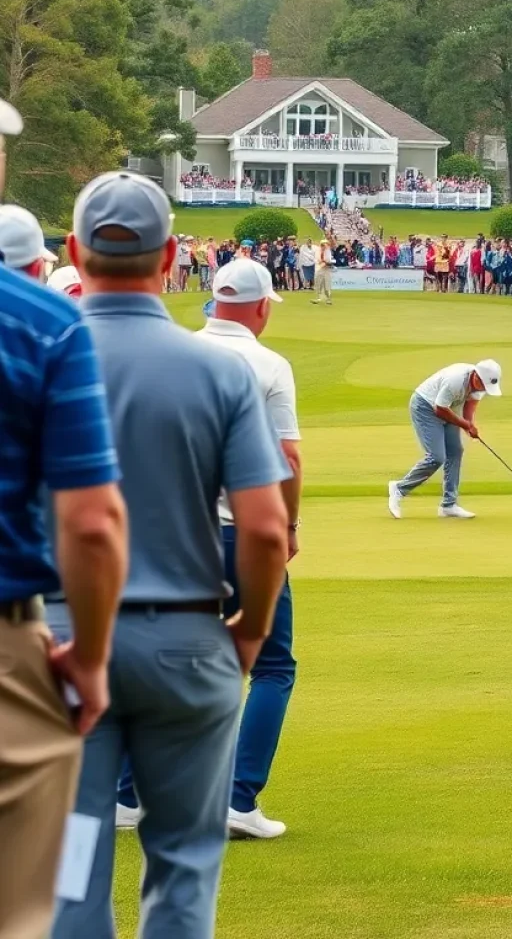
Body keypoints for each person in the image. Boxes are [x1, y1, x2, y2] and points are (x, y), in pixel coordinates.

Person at [51, 171, 291, 939]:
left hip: (57, 643)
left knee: (71, 870)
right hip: (187, 645)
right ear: (170, 259)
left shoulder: (35, 360)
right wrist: (250, 632)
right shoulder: (221, 369)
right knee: (184, 868)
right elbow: (262, 528)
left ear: (73, 251)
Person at [119, 260, 303, 840]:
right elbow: (289, 460)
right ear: (262, 307)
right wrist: (289, 526)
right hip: (243, 533)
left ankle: (127, 796)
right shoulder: (270, 364)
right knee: (272, 666)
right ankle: (236, 799)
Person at [0, 180, 127, 939]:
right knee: (25, 905)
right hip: (10, 635)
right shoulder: (46, 323)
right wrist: (90, 654)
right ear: (46, 265)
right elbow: (89, 521)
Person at [388, 360, 503, 521]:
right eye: (483, 385)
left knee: (455, 451)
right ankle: (399, 488)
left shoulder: (481, 383)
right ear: (476, 376)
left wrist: (470, 426)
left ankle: (449, 505)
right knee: (436, 457)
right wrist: (464, 424)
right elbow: (439, 409)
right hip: (425, 407)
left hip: (448, 408)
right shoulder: (455, 381)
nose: (483, 389)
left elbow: (469, 407)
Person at [311, 240, 334, 306]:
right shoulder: (317, 251)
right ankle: (318, 298)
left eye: (324, 245)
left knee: (327, 285)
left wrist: (324, 262)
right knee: (318, 285)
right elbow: (315, 259)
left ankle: (328, 299)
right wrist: (319, 262)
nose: (323, 247)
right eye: (322, 245)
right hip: (319, 269)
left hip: (326, 270)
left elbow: (328, 260)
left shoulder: (328, 251)